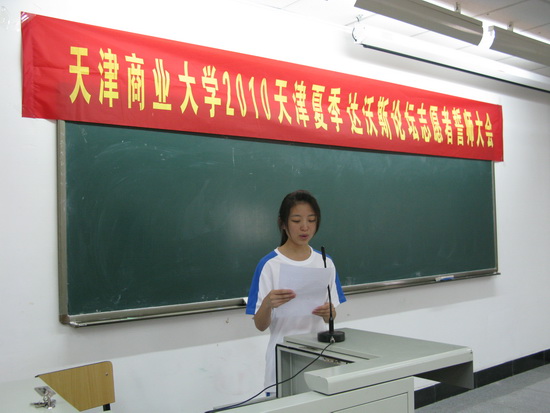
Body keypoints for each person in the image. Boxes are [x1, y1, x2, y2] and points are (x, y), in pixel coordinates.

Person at [246, 189, 346, 391]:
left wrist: (329, 314)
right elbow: (260, 325)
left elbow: (331, 316)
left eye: (311, 220)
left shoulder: (325, 262)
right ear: (283, 223)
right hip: (282, 357)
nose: (305, 227)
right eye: (296, 220)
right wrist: (267, 304)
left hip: (319, 357)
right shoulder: (269, 264)